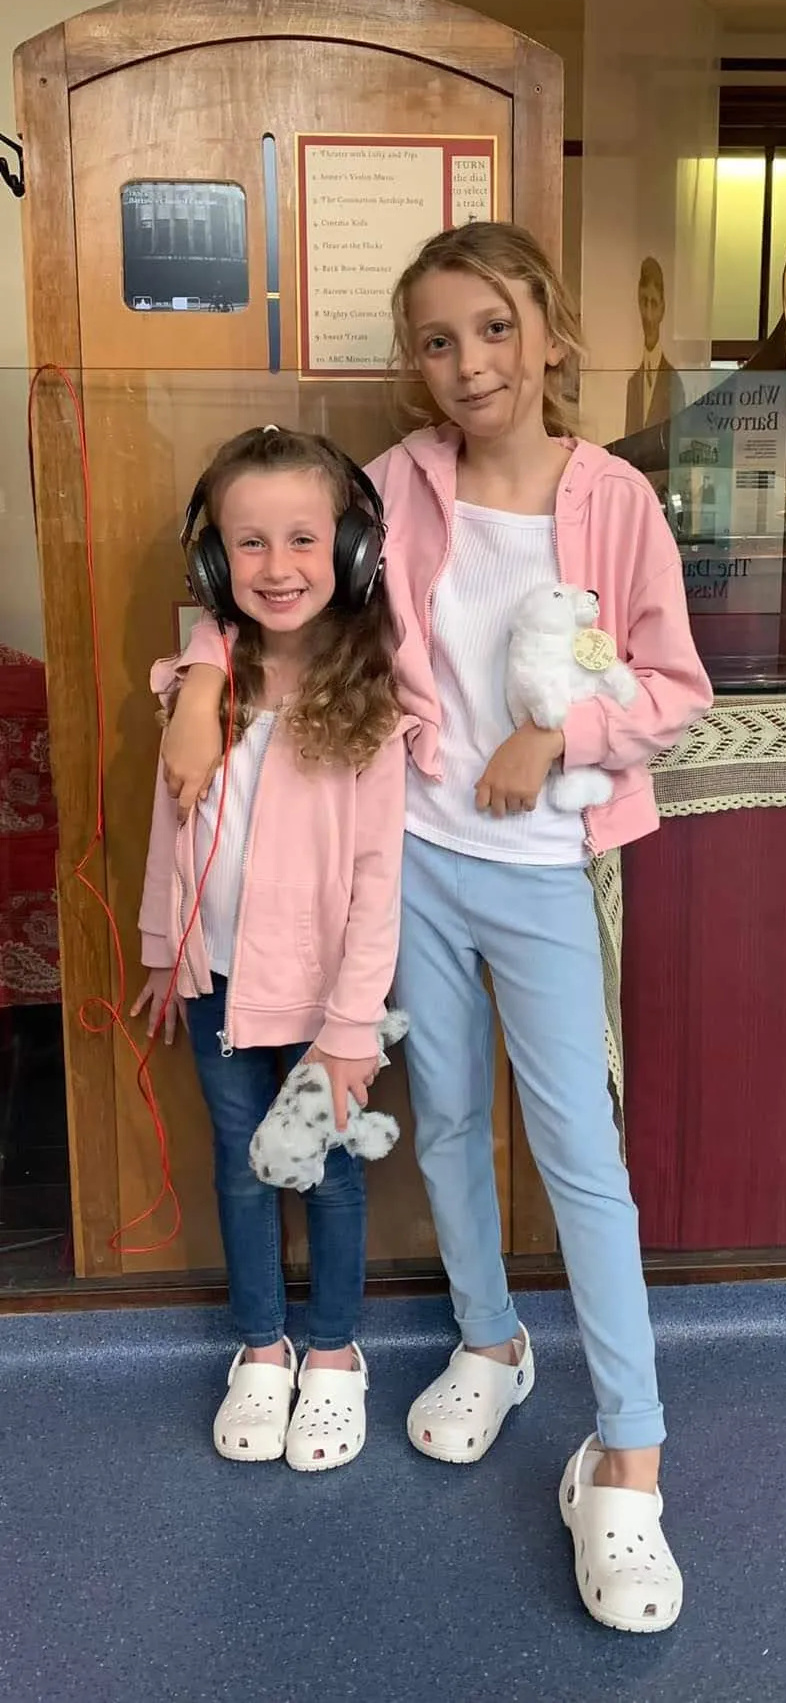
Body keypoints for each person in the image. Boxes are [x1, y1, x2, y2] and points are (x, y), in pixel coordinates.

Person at [158, 223, 713, 1632]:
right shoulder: (395, 485)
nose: (469, 362)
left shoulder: (617, 501)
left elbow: (677, 689)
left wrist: (558, 729)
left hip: (537, 870)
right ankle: (488, 1339)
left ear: (552, 333)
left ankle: (628, 1456)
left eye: (496, 327)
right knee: (450, 1121)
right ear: (414, 360)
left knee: (581, 1154)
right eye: (438, 338)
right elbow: (250, 561)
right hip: (414, 857)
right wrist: (197, 680)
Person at [133, 424, 406, 1472]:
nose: (278, 566)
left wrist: (350, 1029)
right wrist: (169, 944)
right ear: (214, 562)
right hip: (216, 982)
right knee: (243, 1169)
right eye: (249, 544)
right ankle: (263, 1346)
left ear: (349, 551)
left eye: (303, 537)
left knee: (327, 1172)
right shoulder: (202, 678)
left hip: (326, 999)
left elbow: (379, 879)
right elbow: (176, 823)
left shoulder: (370, 694)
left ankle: (334, 1353)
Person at [624, 255, 685, 439]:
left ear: (662, 309)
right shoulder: (633, 383)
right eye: (644, 302)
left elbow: (680, 452)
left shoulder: (674, 382)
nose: (648, 316)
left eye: (654, 303)